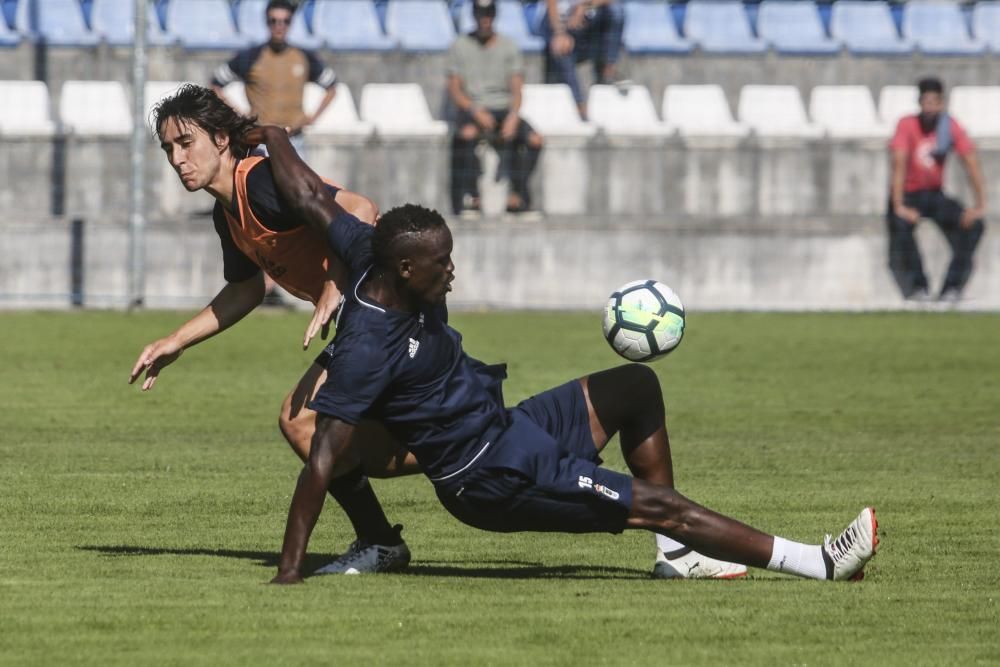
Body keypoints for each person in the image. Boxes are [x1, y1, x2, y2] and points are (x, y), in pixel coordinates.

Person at [247, 126, 880, 586]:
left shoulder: (370, 254)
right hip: (490, 478)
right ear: (408, 268)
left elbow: (308, 195)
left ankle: (678, 556)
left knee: (636, 389)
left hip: (510, 428)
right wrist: (290, 571)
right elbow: (322, 460)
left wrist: (268, 132)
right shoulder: (366, 345)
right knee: (659, 504)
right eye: (443, 263)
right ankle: (818, 562)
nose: (452, 270)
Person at [129, 84, 416, 575]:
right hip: (370, 316)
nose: (177, 159)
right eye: (168, 149)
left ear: (221, 139)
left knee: (302, 420)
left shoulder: (260, 181)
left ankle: (390, 528)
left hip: (386, 309)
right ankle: (459, 460)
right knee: (328, 425)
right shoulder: (229, 212)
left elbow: (362, 209)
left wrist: (334, 283)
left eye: (185, 142)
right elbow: (245, 290)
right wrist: (176, 341)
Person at [887, 77, 987, 302]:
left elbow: (970, 162)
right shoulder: (907, 125)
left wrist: (979, 205)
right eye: (926, 101)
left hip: (933, 194)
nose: (930, 107)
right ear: (920, 103)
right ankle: (917, 287)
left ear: (942, 103)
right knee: (900, 225)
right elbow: (899, 165)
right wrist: (899, 205)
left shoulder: (948, 126)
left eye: (935, 102)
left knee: (974, 226)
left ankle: (950, 289)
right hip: (909, 193)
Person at [447, 0, 543, 217]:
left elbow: (517, 89)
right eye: (481, 13)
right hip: (473, 109)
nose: (485, 19)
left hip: (503, 109)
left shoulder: (509, 46)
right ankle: (470, 197)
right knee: (466, 135)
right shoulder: (460, 45)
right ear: (474, 15)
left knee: (534, 140)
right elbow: (454, 89)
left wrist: (513, 116)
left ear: (494, 15)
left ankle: (518, 195)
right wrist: (474, 110)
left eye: (488, 13)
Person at [210, 0, 338, 157]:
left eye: (286, 21)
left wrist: (313, 118)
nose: (279, 26)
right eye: (274, 21)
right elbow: (215, 85)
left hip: (294, 140)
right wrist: (238, 115)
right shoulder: (250, 56)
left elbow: (331, 87)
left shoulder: (304, 57)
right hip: (260, 141)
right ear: (267, 22)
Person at [543, 0, 625, 119]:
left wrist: (585, 5)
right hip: (557, 24)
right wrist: (560, 33)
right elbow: (551, 5)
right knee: (562, 49)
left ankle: (609, 69)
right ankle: (580, 106)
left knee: (616, 12)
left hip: (584, 20)